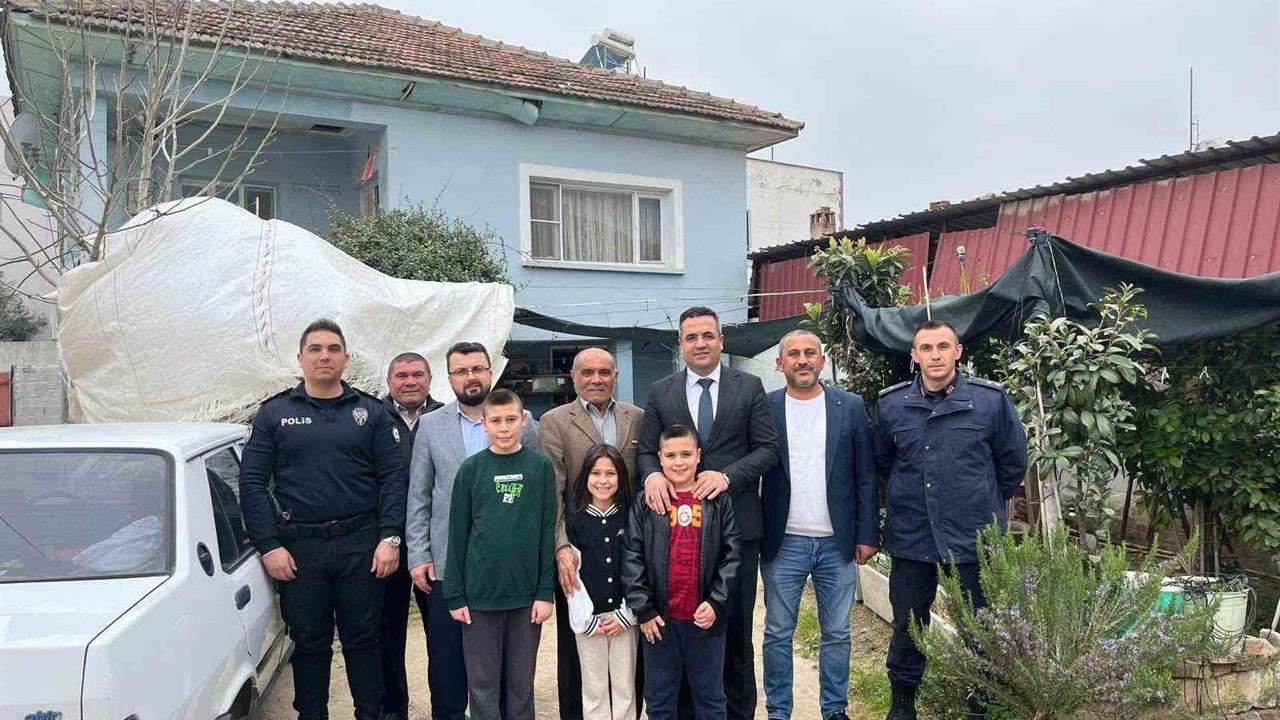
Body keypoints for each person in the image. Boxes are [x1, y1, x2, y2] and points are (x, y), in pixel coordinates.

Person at [239, 318, 406, 720]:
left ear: (346, 358)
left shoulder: (371, 412)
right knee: (309, 644)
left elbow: (393, 477)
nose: (324, 356)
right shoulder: (274, 413)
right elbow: (252, 482)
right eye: (315, 349)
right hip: (300, 550)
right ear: (300, 358)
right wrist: (269, 546)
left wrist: (390, 537)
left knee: (364, 642)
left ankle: (370, 714)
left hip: (362, 546)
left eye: (333, 349)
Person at [875, 319, 1028, 720]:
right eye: (926, 348)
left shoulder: (990, 401)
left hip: (973, 535)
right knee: (908, 624)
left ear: (958, 352)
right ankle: (903, 702)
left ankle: (981, 704)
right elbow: (885, 463)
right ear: (914, 356)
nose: (935, 355)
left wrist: (979, 500)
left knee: (981, 625)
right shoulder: (892, 405)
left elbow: (1012, 463)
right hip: (913, 535)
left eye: (943, 346)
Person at [637, 306, 778, 720]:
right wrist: (652, 476)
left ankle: (737, 713)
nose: (700, 343)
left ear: (721, 340)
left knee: (734, 632)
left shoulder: (748, 386)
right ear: (680, 344)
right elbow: (646, 451)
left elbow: (768, 450)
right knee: (681, 628)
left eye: (707, 336)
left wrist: (727, 477)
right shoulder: (661, 391)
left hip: (736, 531)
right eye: (691, 337)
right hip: (674, 536)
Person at [406, 342, 539, 720]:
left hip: (506, 566)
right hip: (447, 563)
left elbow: (538, 494)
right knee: (447, 662)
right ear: (449, 378)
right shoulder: (432, 425)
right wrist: (418, 554)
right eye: (461, 371)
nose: (471, 377)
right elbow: (419, 494)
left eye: (478, 369)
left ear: (490, 372)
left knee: (503, 665)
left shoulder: (522, 422)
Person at [760, 330, 879, 720]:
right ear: (780, 363)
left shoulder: (850, 406)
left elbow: (865, 475)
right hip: (783, 540)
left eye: (810, 352)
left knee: (838, 633)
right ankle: (779, 711)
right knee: (778, 632)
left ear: (822, 361)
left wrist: (867, 534)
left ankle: (834, 710)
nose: (802, 359)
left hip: (836, 541)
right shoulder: (766, 406)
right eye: (793, 353)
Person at [539, 347, 645, 720]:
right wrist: (561, 547)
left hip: (627, 546)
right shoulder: (554, 422)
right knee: (577, 650)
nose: (596, 379)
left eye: (604, 372)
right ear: (573, 377)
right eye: (587, 372)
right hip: (578, 548)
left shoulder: (637, 417)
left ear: (615, 375)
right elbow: (553, 492)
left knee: (629, 660)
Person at [444, 389, 557, 720]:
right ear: (484, 424)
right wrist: (455, 594)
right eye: (496, 421)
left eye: (510, 419)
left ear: (523, 421)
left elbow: (546, 531)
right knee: (483, 686)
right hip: (480, 597)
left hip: (526, 597)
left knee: (521, 686)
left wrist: (545, 592)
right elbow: (458, 535)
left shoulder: (540, 467)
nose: (504, 427)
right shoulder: (471, 470)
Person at [623, 425, 741, 720]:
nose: (679, 462)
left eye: (686, 455)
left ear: (698, 456)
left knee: (711, 701)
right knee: (660, 702)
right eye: (671, 455)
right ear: (659, 458)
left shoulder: (717, 500)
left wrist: (716, 602)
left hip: (705, 622)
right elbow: (632, 557)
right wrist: (644, 609)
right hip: (660, 623)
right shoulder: (646, 503)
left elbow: (731, 556)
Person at [378, 352, 443, 720]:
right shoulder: (372, 418)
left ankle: (446, 708)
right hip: (387, 545)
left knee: (442, 634)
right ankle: (393, 710)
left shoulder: (445, 417)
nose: (410, 381)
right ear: (389, 381)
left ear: (429, 379)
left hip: (434, 546)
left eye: (417, 374)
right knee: (388, 634)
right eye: (401, 375)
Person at [565, 444, 639, 720]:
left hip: (624, 618)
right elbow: (572, 580)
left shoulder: (631, 517)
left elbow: (639, 568)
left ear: (621, 477)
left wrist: (628, 613)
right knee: (594, 689)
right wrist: (585, 620)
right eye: (596, 473)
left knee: (625, 688)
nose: (603, 480)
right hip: (590, 621)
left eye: (610, 473)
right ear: (585, 476)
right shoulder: (576, 523)